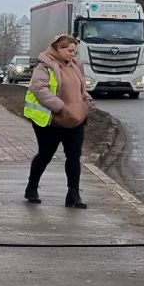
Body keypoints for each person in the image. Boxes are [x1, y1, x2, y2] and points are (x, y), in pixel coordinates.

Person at [22, 34, 92, 208]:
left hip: (75, 119)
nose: (72, 55)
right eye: (69, 51)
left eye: (74, 52)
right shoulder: (44, 66)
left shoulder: (76, 65)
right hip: (52, 120)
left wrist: (86, 101)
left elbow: (81, 87)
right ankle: (32, 187)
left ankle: (73, 194)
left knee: (74, 156)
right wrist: (59, 106)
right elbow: (39, 89)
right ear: (58, 48)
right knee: (46, 154)